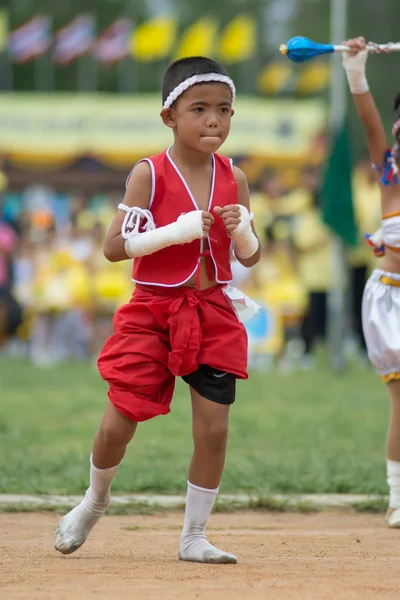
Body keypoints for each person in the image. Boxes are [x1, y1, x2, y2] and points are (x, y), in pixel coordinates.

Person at [54, 56, 260, 562]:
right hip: (152, 310)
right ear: (169, 115)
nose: (215, 120)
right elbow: (113, 247)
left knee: (213, 429)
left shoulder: (235, 177)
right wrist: (176, 231)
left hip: (213, 310)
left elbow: (251, 256)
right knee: (117, 424)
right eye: (200, 109)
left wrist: (243, 231)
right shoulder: (149, 173)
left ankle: (193, 537)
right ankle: (94, 500)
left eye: (225, 109)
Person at [342, 37, 400, 527]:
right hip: (390, 302)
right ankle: (398, 498)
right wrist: (356, 72)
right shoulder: (391, 178)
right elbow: (370, 124)